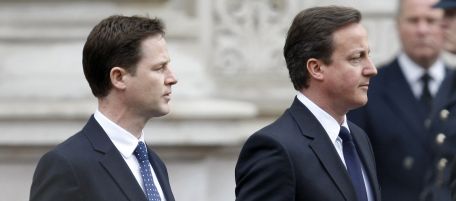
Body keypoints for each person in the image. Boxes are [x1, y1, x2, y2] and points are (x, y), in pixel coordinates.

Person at [235, 6, 380, 201]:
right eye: (356, 58)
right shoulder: (275, 148)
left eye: (368, 55)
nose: (371, 69)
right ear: (316, 68)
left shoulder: (359, 138)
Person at [29, 15, 177, 201]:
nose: (172, 78)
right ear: (119, 78)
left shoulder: (154, 163)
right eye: (159, 68)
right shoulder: (67, 164)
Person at [348, 0, 456, 200]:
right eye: (413, 20)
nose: (422, 30)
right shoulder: (367, 86)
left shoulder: (450, 84)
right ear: (397, 25)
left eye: (431, 20)